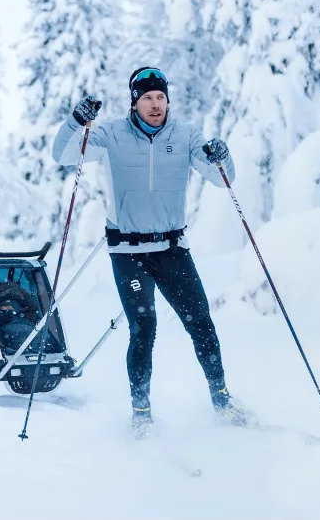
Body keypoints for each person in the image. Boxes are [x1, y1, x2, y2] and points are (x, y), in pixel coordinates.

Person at [51, 67, 246, 436]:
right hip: (128, 252)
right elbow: (62, 154)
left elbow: (223, 178)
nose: (155, 105)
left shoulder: (186, 135)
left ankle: (222, 400)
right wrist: (76, 121)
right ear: (134, 102)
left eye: (160, 98)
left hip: (172, 249)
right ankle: (141, 413)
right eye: (147, 98)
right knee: (144, 328)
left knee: (201, 322)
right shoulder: (110, 134)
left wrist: (223, 155)